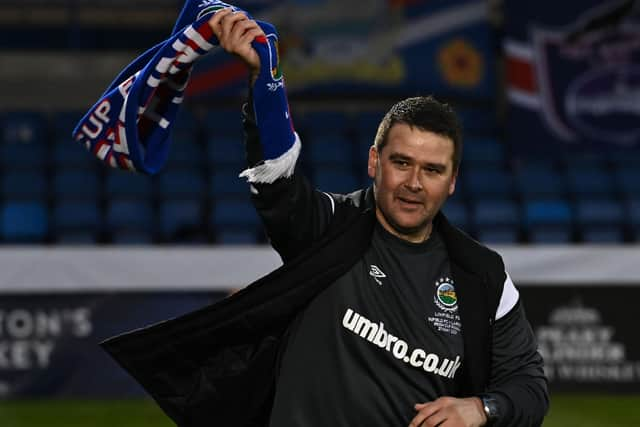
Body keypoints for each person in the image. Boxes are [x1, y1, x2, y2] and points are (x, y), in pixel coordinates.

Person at [102, 6, 548, 427]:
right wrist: (265, 81)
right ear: (375, 162)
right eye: (402, 163)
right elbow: (277, 183)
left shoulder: (481, 275)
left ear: (452, 181)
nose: (414, 182)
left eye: (432, 170)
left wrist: (482, 407)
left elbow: (528, 386)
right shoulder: (328, 227)